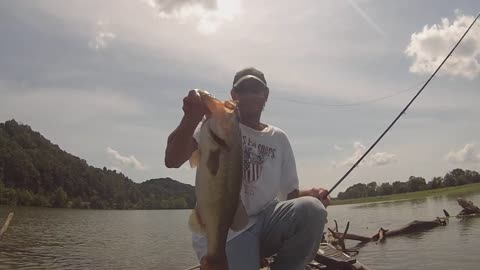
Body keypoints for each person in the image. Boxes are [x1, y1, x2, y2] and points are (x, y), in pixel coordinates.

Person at [165, 67, 330, 270]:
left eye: (256, 89)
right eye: (243, 89)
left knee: (313, 209)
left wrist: (311, 195)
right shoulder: (214, 126)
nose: (249, 94)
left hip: (265, 225)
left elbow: (290, 195)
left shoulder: (278, 138)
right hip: (224, 233)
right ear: (234, 95)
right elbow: (172, 159)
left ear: (265, 96)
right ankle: (217, 256)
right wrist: (190, 119)